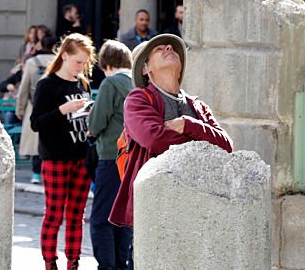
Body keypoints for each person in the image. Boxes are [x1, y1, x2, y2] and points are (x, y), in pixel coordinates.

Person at [109, 33, 233, 228]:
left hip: (200, 203)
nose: (169, 49)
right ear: (145, 69)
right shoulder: (138, 99)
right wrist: (204, 145)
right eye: (159, 49)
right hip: (157, 202)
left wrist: (188, 125)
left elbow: (226, 146)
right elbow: (154, 139)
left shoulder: (198, 106)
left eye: (172, 48)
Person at [31, 32, 96, 270]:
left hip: (81, 155)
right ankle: (50, 263)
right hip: (56, 158)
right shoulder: (46, 85)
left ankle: (73, 262)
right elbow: (36, 122)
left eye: (85, 63)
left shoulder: (83, 83)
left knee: (77, 215)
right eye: (78, 61)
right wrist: (63, 109)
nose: (81, 67)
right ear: (65, 56)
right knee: (55, 214)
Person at [88, 40, 134, 270]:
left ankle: (106, 266)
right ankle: (121, 265)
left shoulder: (111, 83)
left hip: (111, 155)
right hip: (133, 159)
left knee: (101, 219)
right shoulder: (138, 82)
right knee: (123, 219)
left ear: (106, 64)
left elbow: (96, 123)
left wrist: (89, 124)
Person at [16, 30, 56, 184]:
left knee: (35, 141)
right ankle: (49, 172)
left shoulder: (32, 63)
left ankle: (35, 173)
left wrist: (20, 109)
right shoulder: (60, 61)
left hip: (35, 105)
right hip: (56, 107)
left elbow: (24, 88)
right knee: (51, 141)